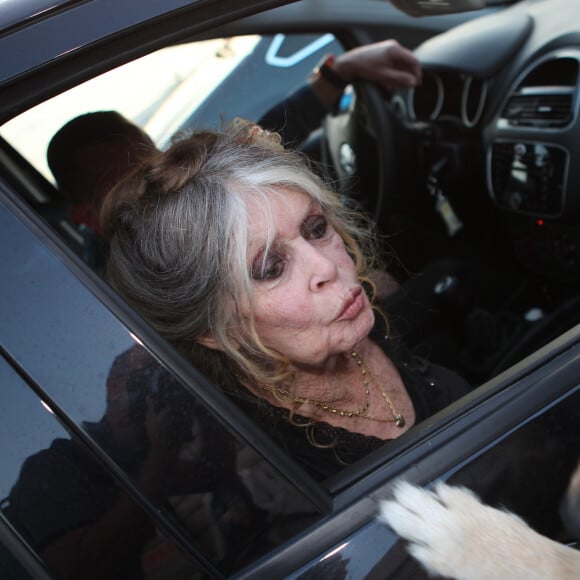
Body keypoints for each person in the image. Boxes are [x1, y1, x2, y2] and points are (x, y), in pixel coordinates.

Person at [101, 120, 469, 479]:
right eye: (271, 268)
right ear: (213, 328)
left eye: (316, 229)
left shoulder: (369, 326)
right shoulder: (279, 473)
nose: (326, 265)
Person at [46, 39, 421, 239]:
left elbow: (261, 142)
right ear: (88, 217)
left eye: (156, 157)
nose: (157, 176)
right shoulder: (135, 291)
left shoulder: (185, 197)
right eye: (130, 178)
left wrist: (340, 72)